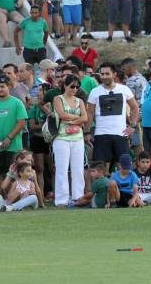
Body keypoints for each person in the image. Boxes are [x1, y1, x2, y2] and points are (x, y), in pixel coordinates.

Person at [86, 62, 139, 173]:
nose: (104, 76)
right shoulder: (95, 92)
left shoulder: (124, 89)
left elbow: (134, 107)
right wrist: (87, 132)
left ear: (114, 74)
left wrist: (132, 126)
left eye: (107, 73)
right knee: (102, 170)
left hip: (121, 134)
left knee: (123, 170)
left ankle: (120, 185)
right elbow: (89, 113)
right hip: (101, 134)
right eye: (102, 74)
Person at [0, 74, 28, 194]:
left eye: (2, 86)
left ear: (9, 87)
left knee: (14, 175)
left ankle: (15, 199)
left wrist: (9, 138)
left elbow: (21, 123)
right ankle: (2, 199)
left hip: (14, 147)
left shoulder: (17, 103)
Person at [51, 74, 87, 207]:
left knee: (78, 169)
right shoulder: (58, 99)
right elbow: (62, 115)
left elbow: (85, 118)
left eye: (77, 87)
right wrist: (77, 119)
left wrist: (72, 121)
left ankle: (78, 197)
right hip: (61, 138)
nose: (75, 89)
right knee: (62, 169)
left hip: (78, 138)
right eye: (72, 86)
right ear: (65, 86)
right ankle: (61, 200)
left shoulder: (80, 101)